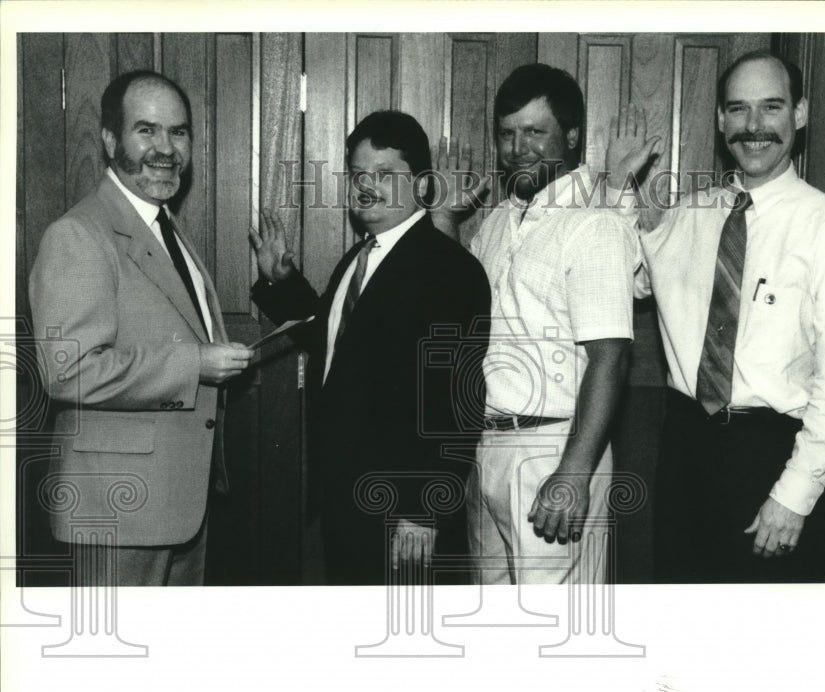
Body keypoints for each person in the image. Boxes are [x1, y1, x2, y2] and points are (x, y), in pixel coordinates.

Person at [608, 50, 825, 582]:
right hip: (684, 448)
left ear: (799, 114)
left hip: (774, 458)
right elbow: (613, 274)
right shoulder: (688, 215)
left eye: (771, 107)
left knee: (764, 640)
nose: (753, 127)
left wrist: (795, 495)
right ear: (719, 121)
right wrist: (618, 185)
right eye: (738, 110)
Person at [28, 70, 253, 586]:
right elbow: (70, 373)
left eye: (178, 132)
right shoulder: (77, 234)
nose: (166, 148)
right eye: (146, 130)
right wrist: (195, 363)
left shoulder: (164, 226)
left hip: (177, 504)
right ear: (110, 140)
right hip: (118, 509)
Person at [250, 110, 490, 586]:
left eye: (385, 175)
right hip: (347, 498)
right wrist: (282, 283)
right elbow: (336, 341)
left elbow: (459, 398)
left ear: (421, 184)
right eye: (360, 174)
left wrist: (426, 506)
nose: (368, 186)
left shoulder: (449, 269)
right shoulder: (361, 256)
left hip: (404, 511)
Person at [434, 64, 641, 585]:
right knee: (495, 621)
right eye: (507, 133)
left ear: (570, 136)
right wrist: (444, 221)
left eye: (534, 132)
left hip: (555, 449)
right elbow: (462, 310)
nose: (517, 148)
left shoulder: (595, 226)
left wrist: (574, 472)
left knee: (553, 632)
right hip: (489, 446)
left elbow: (610, 357)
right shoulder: (500, 220)